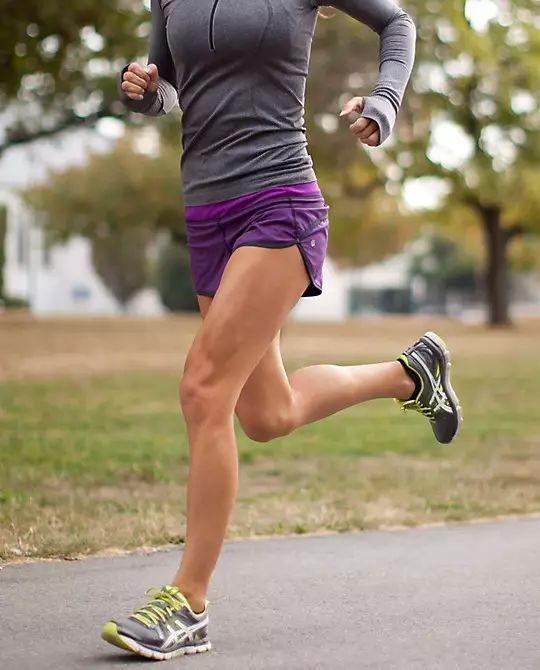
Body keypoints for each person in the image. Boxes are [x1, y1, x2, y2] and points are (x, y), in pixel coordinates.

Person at [102, 0, 462, 660]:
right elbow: (165, 84)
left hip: (278, 200)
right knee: (268, 414)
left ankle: (189, 601)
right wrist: (143, 92)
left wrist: (383, 102)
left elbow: (397, 23)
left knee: (202, 390)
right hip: (207, 213)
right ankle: (411, 374)